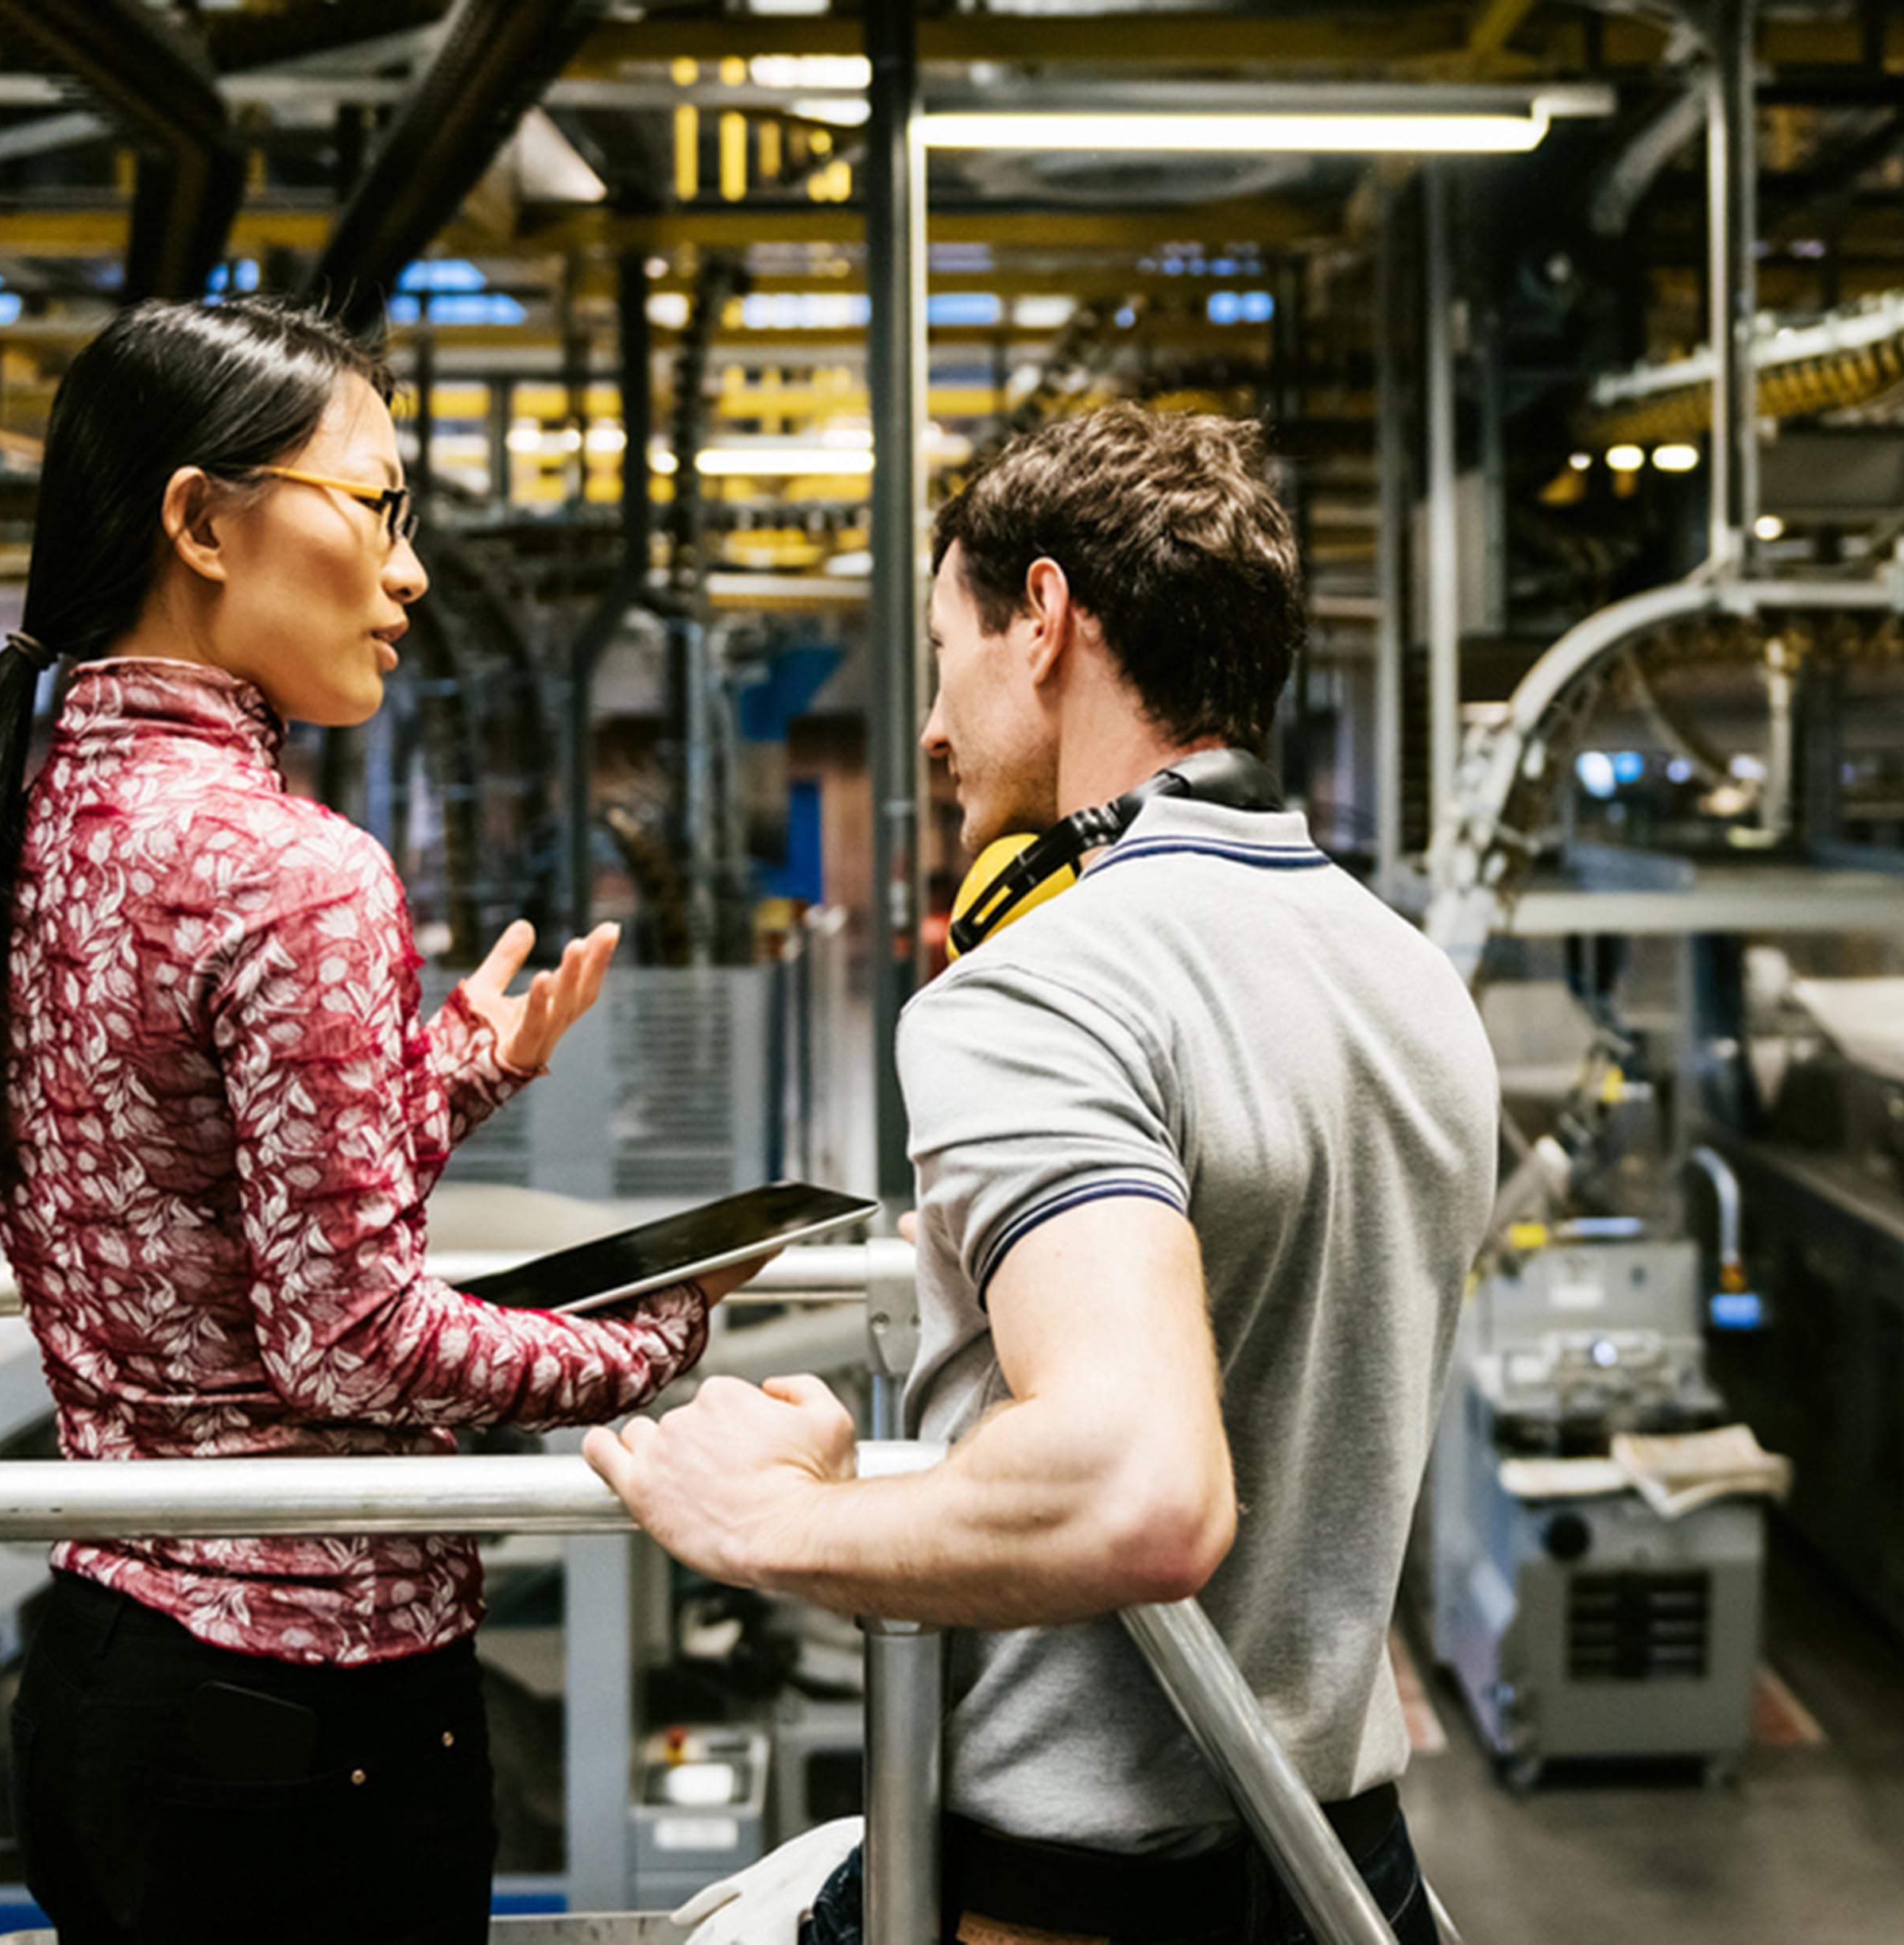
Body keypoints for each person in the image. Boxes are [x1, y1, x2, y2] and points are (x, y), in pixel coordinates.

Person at [0, 296, 745, 1945]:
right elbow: (347, 1340)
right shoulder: (295, 868)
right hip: (307, 1739)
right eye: (379, 507)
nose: (410, 573)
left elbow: (201, 1222)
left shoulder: (40, 815)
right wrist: (644, 1348)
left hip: (115, 1687)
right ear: (202, 521)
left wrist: (453, 1075)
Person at [587, 404, 1500, 1945]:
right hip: (1340, 1873)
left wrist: (764, 1522)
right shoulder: (1409, 981)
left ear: (1046, 621)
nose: (933, 731)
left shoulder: (1036, 991)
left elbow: (1138, 1486)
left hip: (1069, 1902)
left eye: (945, 655)